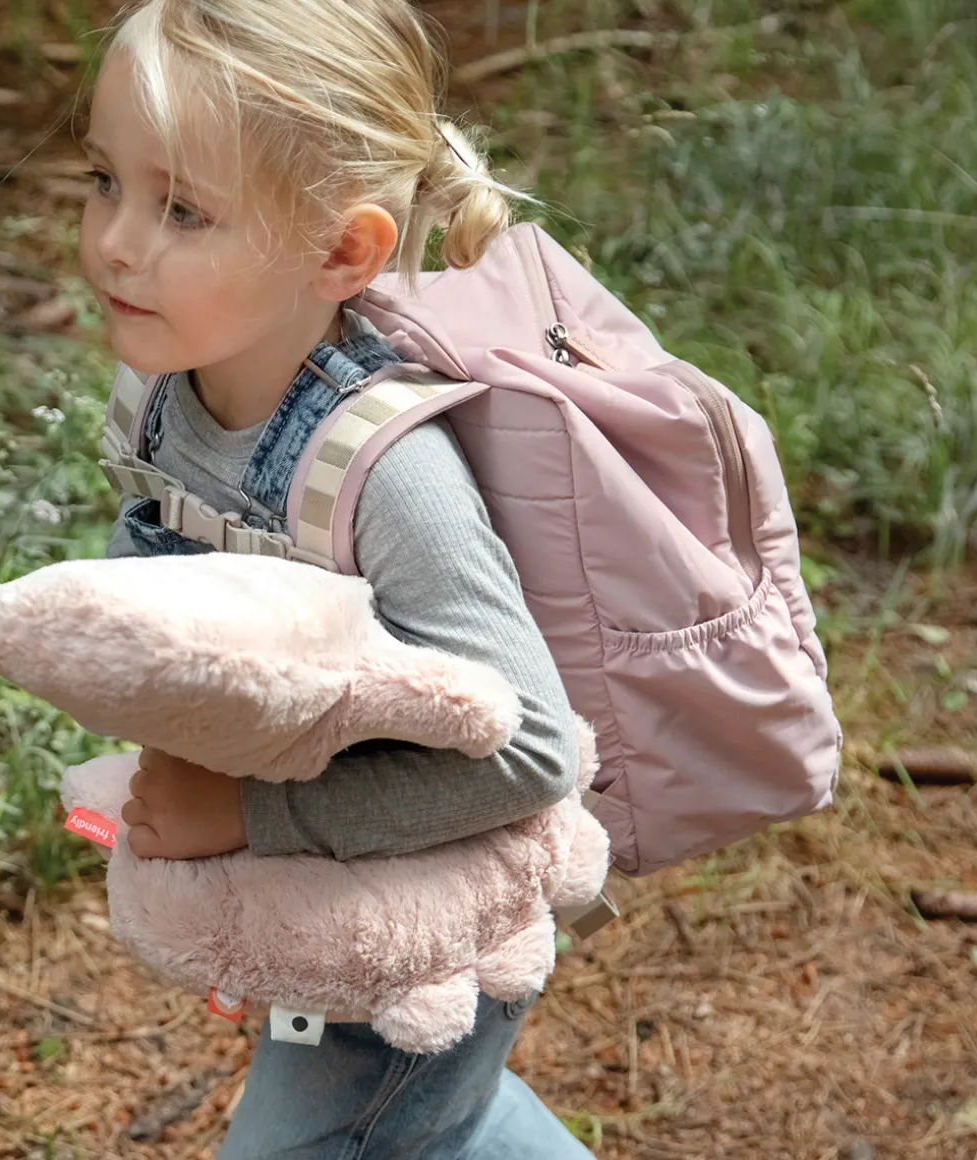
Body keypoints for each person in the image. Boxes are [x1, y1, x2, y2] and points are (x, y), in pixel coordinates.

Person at [77, 1, 593, 1155]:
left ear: (341, 253)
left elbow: (534, 753)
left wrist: (247, 811)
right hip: (322, 889)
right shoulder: (159, 392)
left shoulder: (388, 474)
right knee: (448, 1129)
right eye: (103, 180)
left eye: (181, 209)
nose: (115, 241)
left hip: (424, 926)